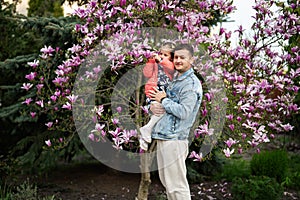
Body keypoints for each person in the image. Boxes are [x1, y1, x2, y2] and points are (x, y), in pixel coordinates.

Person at [149, 43, 203, 200]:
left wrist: (164, 100)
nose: (178, 60)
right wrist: (153, 106)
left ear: (191, 60)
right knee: (169, 185)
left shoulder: (190, 84)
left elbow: (184, 112)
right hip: (164, 136)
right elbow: (164, 103)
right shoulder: (175, 78)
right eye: (176, 57)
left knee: (177, 186)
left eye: (182, 57)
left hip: (175, 139)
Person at [139, 42, 175, 151]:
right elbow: (146, 73)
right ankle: (147, 130)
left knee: (162, 113)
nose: (162, 56)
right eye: (161, 54)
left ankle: (145, 136)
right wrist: (151, 61)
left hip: (164, 92)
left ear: (171, 57)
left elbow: (170, 68)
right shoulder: (155, 63)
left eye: (166, 55)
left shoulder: (170, 65)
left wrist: (160, 60)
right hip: (154, 90)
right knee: (159, 111)